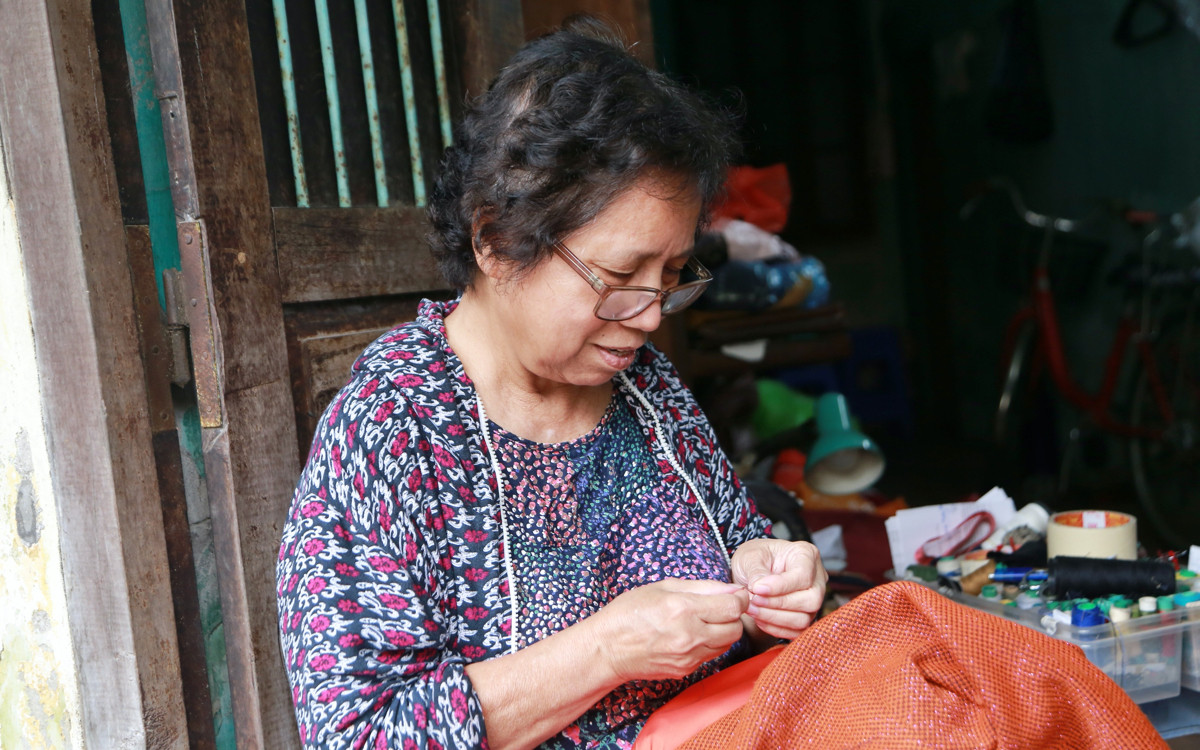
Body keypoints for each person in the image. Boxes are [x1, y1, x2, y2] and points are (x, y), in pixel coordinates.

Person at [276, 16, 826, 750]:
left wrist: (767, 580)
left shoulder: (645, 389)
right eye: (620, 277)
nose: (649, 316)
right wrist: (606, 651)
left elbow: (736, 545)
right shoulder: (391, 431)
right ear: (498, 240)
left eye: (670, 277)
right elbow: (360, 734)